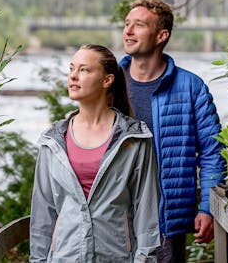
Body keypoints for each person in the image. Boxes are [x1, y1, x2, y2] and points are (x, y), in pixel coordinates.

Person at [30, 44, 160, 262]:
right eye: (71, 69)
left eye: (84, 70)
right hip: (64, 257)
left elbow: (146, 212)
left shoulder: (134, 138)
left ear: (107, 80)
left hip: (117, 257)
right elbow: (43, 213)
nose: (73, 77)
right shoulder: (53, 140)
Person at [120, 0, 226, 263]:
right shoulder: (110, 84)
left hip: (167, 223)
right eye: (127, 24)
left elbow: (213, 153)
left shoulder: (192, 88)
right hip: (114, 218)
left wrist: (207, 208)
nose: (128, 31)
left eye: (139, 25)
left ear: (161, 36)